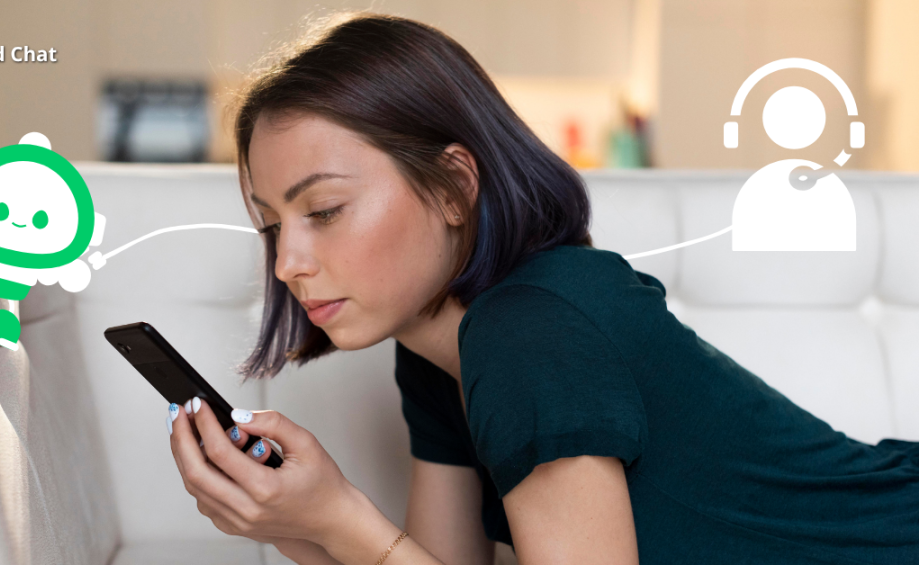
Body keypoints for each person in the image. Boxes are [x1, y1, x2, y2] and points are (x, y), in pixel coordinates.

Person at [164, 11, 919, 565]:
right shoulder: (438, 347)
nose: (290, 260)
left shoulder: (529, 330)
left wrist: (339, 515)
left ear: (455, 187)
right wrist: (296, 522)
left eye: (324, 210)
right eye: (272, 225)